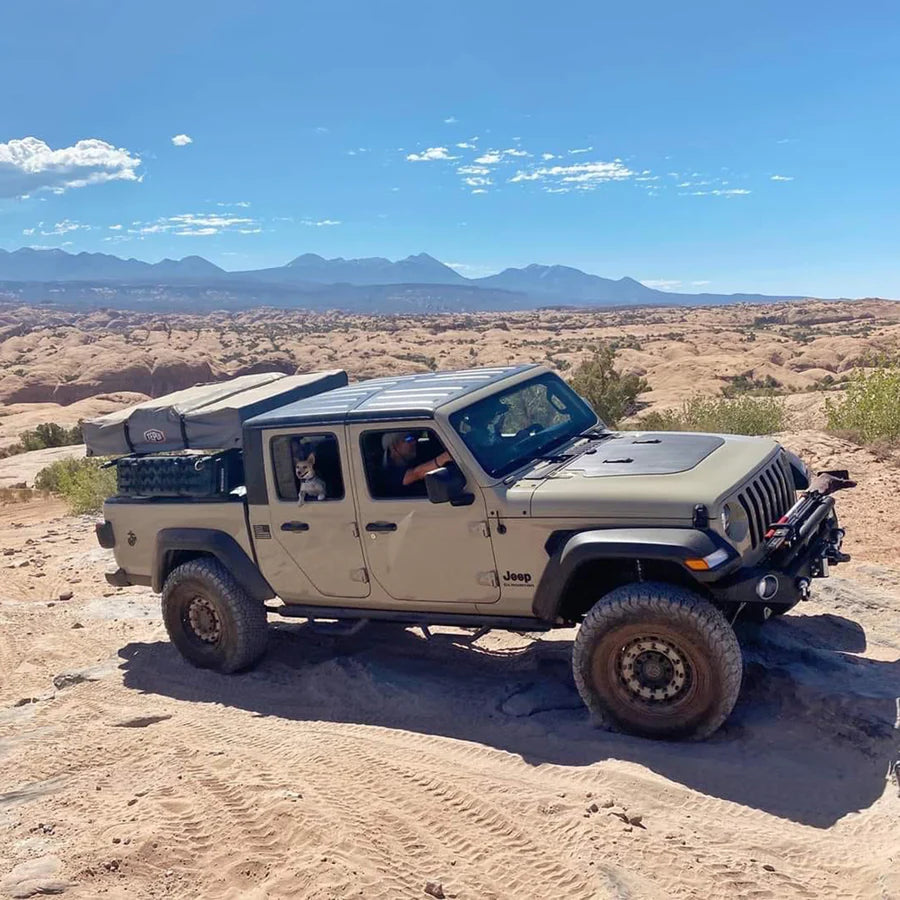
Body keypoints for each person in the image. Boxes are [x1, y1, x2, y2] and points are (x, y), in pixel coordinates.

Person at [380, 431, 452, 497]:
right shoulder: (389, 473)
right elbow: (416, 473)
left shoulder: (414, 462)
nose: (414, 442)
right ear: (393, 447)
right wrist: (445, 457)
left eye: (413, 438)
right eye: (408, 439)